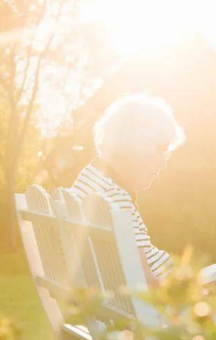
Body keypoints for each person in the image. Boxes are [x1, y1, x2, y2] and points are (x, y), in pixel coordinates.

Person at [69, 93, 186, 289]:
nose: (162, 164)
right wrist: (211, 291)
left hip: (125, 307)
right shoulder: (115, 201)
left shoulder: (90, 182)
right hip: (167, 310)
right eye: (160, 150)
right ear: (134, 145)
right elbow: (149, 283)